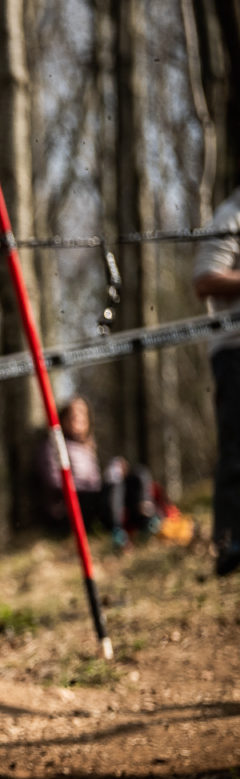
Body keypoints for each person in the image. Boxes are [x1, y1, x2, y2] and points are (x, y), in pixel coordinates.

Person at [193, 186, 240, 577]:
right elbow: (204, 279)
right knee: (237, 449)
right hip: (234, 350)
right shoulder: (231, 214)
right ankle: (229, 545)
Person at [35, 396, 157, 545]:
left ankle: (146, 521)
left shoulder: (87, 447)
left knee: (138, 474)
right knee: (113, 484)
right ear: (63, 419)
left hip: (95, 498)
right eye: (73, 415)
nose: (78, 418)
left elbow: (96, 480)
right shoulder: (53, 446)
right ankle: (116, 532)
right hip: (71, 507)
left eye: (82, 414)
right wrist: (94, 486)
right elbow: (54, 482)